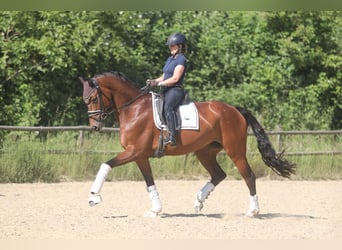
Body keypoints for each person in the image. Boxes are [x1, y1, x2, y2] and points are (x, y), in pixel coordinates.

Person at [147, 33, 187, 146]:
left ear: (180, 46)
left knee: (168, 107)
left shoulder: (181, 59)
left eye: (172, 45)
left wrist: (160, 83)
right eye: (169, 46)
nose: (170, 48)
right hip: (166, 89)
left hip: (175, 90)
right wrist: (154, 81)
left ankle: (172, 136)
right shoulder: (170, 59)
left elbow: (175, 78)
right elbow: (164, 76)